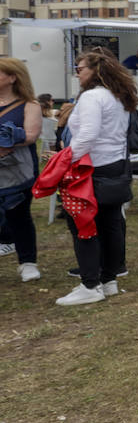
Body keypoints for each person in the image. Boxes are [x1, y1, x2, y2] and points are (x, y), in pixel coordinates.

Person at [54, 51, 137, 306]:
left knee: (82, 225)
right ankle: (108, 280)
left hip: (91, 169)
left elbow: (88, 134)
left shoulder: (92, 97)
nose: (77, 73)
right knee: (111, 224)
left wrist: (65, 159)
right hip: (113, 167)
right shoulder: (117, 96)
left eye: (80, 69)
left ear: (95, 70)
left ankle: (90, 284)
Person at [0, 57, 43, 283]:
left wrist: (7, 141)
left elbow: (31, 135)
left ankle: (28, 263)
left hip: (18, 173)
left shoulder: (30, 105)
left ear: (12, 78)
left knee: (19, 215)